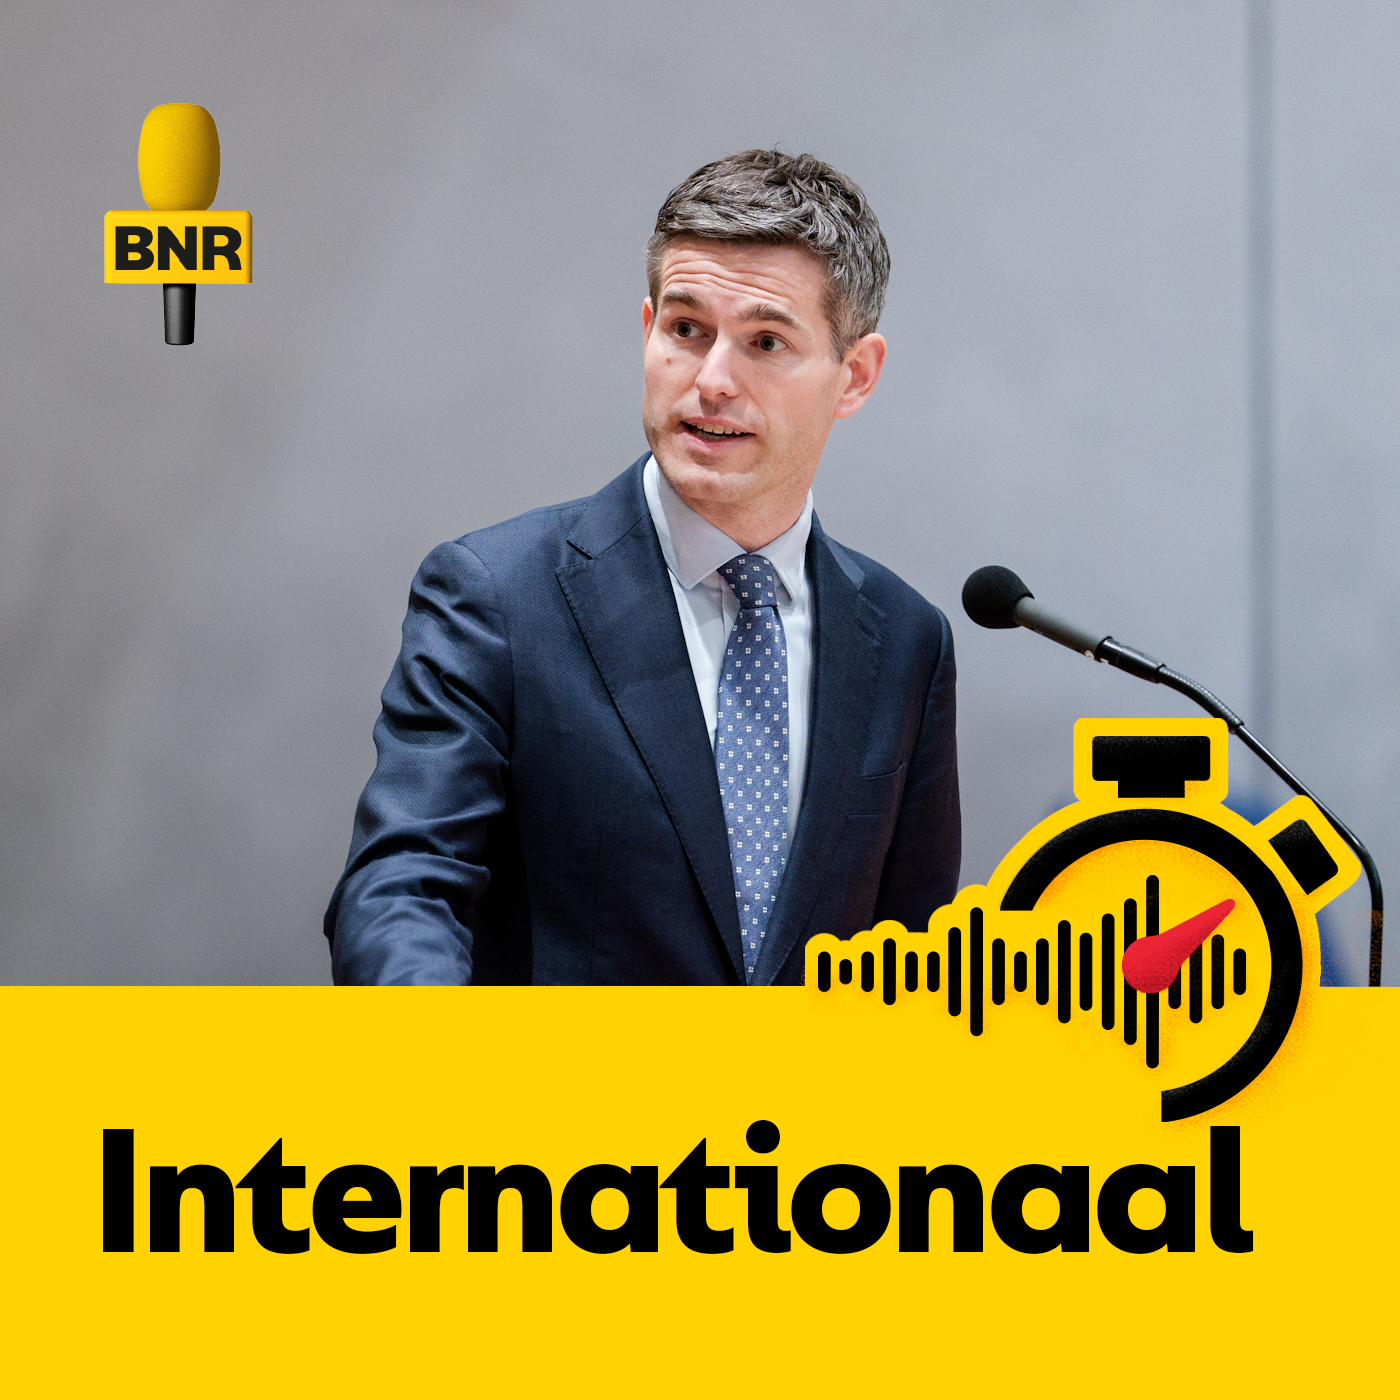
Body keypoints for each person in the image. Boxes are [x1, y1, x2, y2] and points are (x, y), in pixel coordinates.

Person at [325, 149, 960, 986]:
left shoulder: (906, 641)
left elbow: (915, 961)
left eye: (766, 341)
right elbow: (399, 890)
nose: (712, 380)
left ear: (856, 375)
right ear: (649, 328)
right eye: (687, 330)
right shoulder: (498, 596)